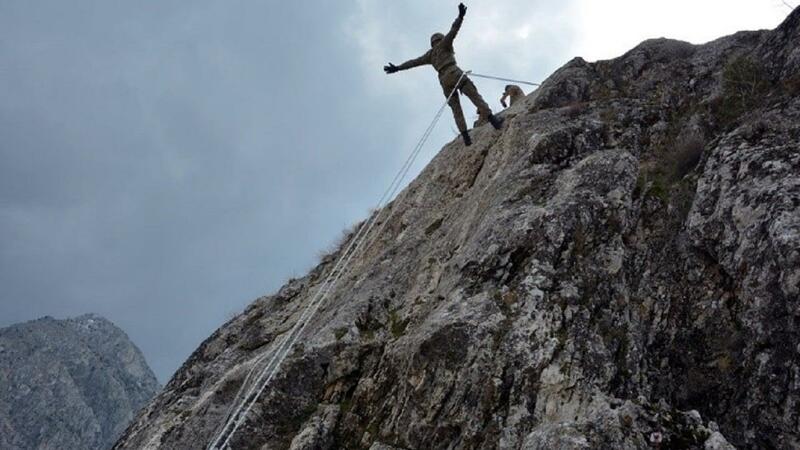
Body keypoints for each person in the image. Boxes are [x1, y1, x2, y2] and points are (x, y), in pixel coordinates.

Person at [384, 3, 503, 146]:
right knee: (474, 95)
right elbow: (454, 30)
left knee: (455, 108)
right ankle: (493, 120)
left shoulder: (430, 55)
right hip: (453, 72)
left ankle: (466, 137)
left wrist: (397, 68)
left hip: (443, 81)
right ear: (440, 39)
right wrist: (460, 17)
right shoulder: (444, 44)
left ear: (431, 43)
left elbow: (413, 62)